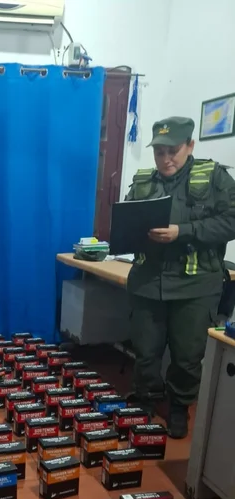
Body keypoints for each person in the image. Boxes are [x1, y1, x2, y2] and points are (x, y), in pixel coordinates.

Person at [126, 116, 235, 439]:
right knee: (146, 352)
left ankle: (178, 407)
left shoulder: (214, 177)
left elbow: (231, 221)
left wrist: (183, 231)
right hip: (148, 283)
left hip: (195, 286)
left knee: (187, 357)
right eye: (159, 152)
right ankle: (146, 400)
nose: (165, 159)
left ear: (190, 145)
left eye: (172, 151)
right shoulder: (143, 181)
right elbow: (126, 222)